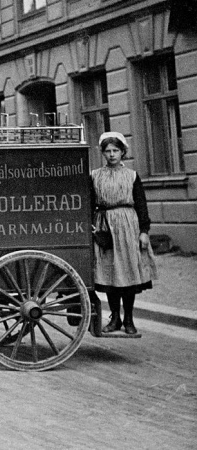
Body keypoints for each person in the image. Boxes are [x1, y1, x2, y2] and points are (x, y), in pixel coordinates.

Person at [91, 131, 157, 335]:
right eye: (108, 151)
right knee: (110, 275)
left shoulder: (132, 176)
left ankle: (129, 319)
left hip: (128, 226)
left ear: (123, 152)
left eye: (115, 150)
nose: (111, 155)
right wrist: (93, 227)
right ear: (103, 153)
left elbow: (141, 205)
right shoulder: (95, 176)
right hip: (104, 226)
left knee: (127, 275)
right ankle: (115, 319)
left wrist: (144, 232)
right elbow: (89, 203)